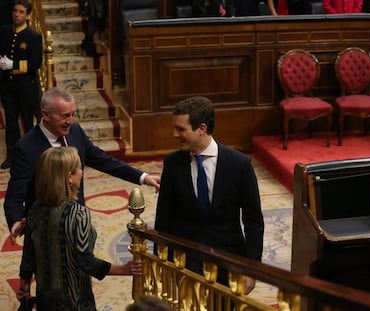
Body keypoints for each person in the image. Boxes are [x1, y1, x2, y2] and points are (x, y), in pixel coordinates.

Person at [4, 87, 161, 244]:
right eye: (65, 116)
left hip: (78, 225)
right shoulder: (26, 148)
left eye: (73, 114)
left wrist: (143, 177)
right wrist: (16, 220)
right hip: (45, 235)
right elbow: (14, 196)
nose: (71, 121)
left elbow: (103, 160)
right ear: (45, 115)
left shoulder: (75, 131)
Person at [154, 96, 264, 295]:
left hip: (229, 259)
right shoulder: (172, 163)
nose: (174, 134)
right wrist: (161, 261)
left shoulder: (239, 164)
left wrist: (252, 268)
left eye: (181, 129)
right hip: (186, 259)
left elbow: (253, 220)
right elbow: (164, 218)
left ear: (201, 129)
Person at [17, 147, 142, 310]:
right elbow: (86, 262)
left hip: (45, 300)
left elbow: (28, 254)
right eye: (79, 168)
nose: (82, 172)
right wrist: (123, 269)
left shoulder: (35, 209)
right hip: (75, 302)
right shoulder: (78, 213)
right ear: (69, 176)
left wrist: (24, 284)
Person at [0, 0, 42, 170]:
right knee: (11, 122)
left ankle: (32, 155)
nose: (17, 14)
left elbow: (36, 63)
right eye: (15, 11)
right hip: (7, 86)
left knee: (27, 121)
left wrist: (14, 65)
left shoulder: (33, 36)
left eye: (21, 12)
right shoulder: (3, 32)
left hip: (26, 86)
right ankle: (12, 156)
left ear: (27, 15)